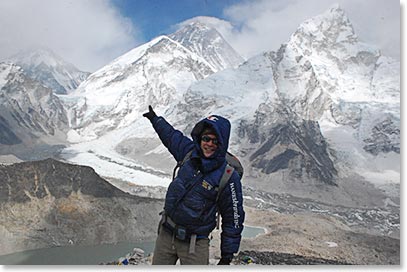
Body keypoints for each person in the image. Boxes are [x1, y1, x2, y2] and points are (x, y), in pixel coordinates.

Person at [143, 105, 245, 265]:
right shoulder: (189, 153)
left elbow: (233, 217)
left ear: (222, 143)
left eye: (215, 140)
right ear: (200, 138)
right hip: (166, 234)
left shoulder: (228, 177)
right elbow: (171, 136)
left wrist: (227, 255)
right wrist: (155, 119)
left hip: (195, 243)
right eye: (206, 138)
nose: (209, 144)